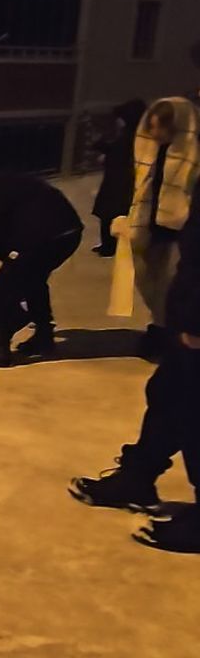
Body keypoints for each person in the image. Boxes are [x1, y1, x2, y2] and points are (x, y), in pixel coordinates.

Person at [69, 177, 200, 553]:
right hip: (187, 312)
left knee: (191, 409)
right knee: (168, 395)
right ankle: (138, 477)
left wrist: (194, 320)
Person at [0, 170, 84, 368]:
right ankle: (44, 336)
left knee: (0, 291)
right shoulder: (3, 182)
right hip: (69, 231)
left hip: (42, 236)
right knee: (34, 280)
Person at [126, 98, 200, 359]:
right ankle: (160, 328)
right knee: (149, 282)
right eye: (152, 127)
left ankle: (168, 336)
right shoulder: (150, 150)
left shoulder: (192, 153)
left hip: (180, 229)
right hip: (150, 224)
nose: (155, 134)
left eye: (160, 128)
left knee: (173, 286)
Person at [92, 99, 147, 257]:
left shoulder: (129, 135)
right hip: (123, 181)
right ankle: (109, 244)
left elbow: (118, 156)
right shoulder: (136, 134)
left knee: (110, 213)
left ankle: (109, 246)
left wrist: (101, 147)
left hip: (118, 182)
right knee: (114, 212)